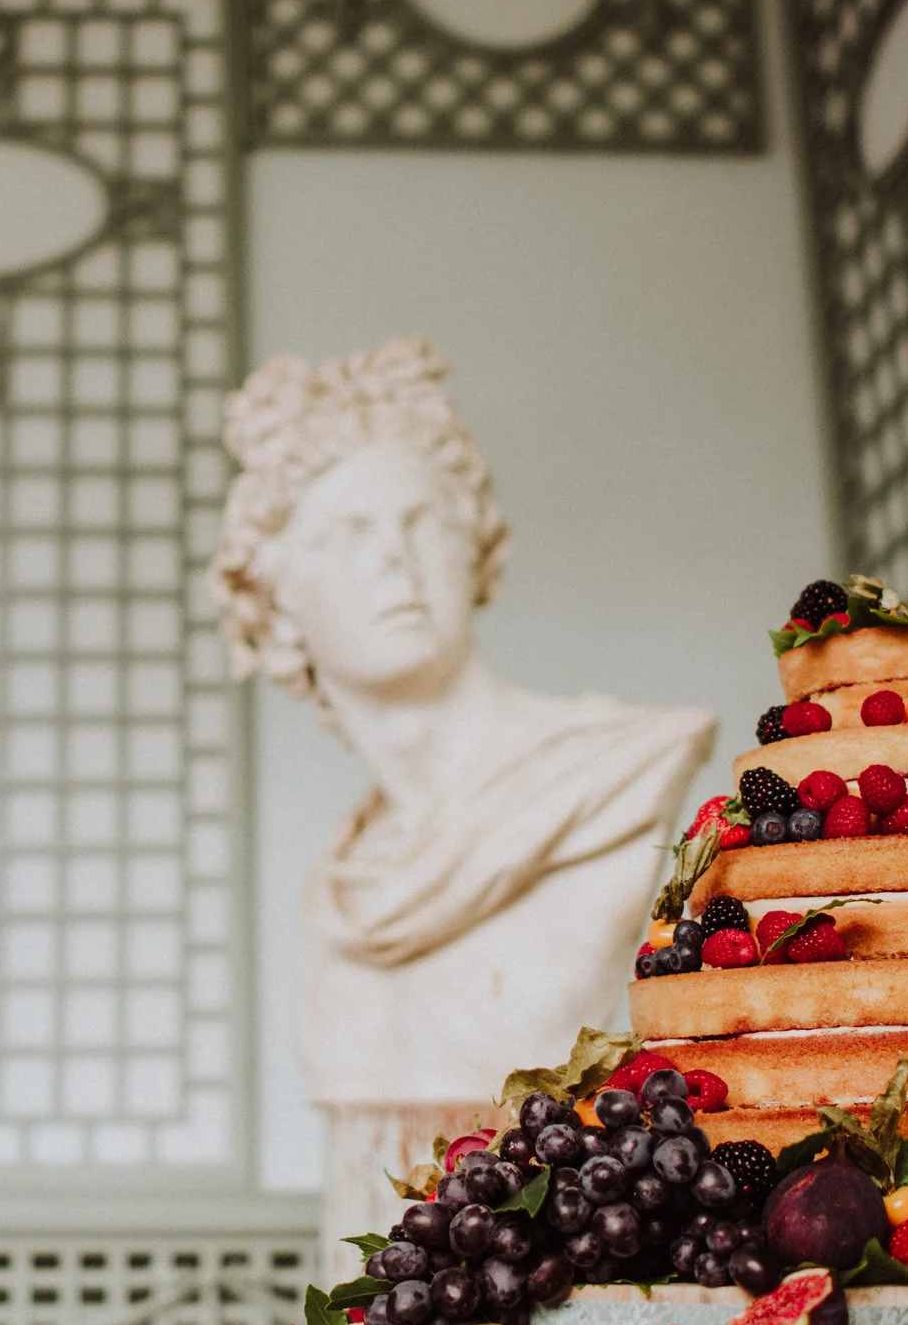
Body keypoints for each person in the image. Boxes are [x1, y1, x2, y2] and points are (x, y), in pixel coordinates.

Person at [212, 337, 716, 1259]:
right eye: (345, 534)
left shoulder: (612, 772)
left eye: (421, 522)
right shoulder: (351, 866)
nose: (394, 563)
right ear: (271, 595)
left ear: (476, 541)